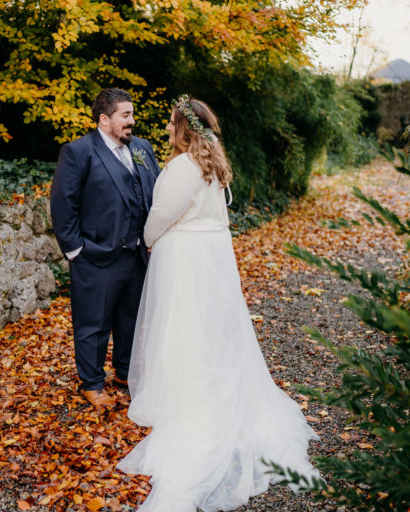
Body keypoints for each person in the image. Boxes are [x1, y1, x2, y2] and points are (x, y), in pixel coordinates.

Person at [117, 95, 320, 511]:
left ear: (184, 128)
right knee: (212, 329)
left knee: (184, 326)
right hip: (213, 258)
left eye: (173, 124)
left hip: (187, 260)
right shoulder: (215, 166)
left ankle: (188, 396)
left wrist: (148, 241)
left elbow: (161, 216)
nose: (168, 131)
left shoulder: (181, 168)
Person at [50, 88, 161, 410]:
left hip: (137, 254)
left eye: (132, 114)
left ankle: (125, 372)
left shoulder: (142, 148)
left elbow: (154, 193)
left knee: (130, 319)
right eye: (125, 115)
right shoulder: (79, 152)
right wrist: (76, 251)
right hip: (95, 256)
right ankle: (92, 383)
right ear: (104, 119)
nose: (132, 121)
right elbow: (63, 205)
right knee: (93, 323)